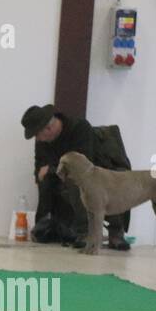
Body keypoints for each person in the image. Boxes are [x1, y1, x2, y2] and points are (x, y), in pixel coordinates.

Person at [21, 103, 130, 250]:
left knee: (76, 182)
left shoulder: (79, 128)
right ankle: (54, 226)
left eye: (38, 134)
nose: (38, 139)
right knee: (57, 182)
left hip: (99, 174)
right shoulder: (43, 142)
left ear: (49, 128)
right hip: (65, 179)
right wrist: (45, 174)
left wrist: (51, 170)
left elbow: (84, 165)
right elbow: (39, 170)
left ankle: (94, 233)